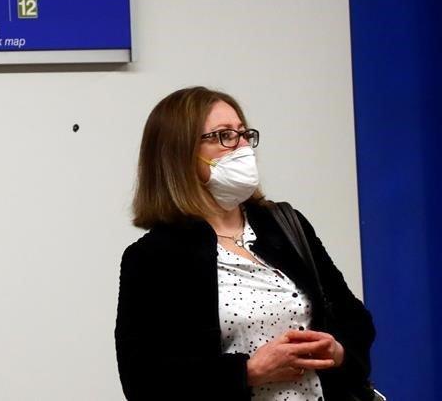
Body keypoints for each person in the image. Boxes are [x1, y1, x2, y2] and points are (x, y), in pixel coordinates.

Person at [115, 86, 375, 401]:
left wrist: (337, 350)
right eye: (224, 136)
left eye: (243, 134)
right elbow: (144, 381)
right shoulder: (153, 257)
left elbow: (354, 318)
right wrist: (248, 372)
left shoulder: (285, 224)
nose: (242, 147)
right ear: (179, 153)